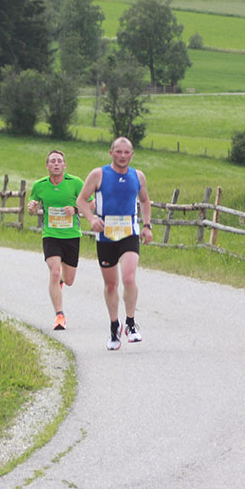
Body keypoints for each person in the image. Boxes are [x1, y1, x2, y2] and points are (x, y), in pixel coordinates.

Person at [76, 137, 154, 350]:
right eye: (118, 152)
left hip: (129, 232)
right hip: (106, 234)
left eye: (126, 152)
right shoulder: (98, 174)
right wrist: (92, 219)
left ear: (132, 154)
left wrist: (147, 226)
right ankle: (114, 325)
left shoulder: (138, 176)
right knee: (111, 285)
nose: (122, 156)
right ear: (111, 153)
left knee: (129, 278)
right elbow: (81, 200)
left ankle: (130, 323)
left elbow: (145, 200)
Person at [27, 150, 85, 331]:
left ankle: (60, 280)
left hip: (71, 236)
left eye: (59, 161)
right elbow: (32, 209)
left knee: (68, 280)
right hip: (51, 235)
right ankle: (59, 316)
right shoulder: (39, 185)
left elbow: (90, 204)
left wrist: (75, 209)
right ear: (47, 165)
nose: (56, 164)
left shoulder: (75, 183)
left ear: (65, 165)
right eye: (52, 161)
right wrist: (32, 207)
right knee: (53, 270)